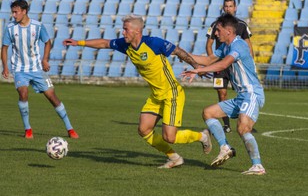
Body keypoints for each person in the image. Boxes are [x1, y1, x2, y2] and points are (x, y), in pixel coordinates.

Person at [63, 14, 212, 169]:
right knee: (144, 130)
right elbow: (104, 43)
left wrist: (196, 66)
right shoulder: (126, 45)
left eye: (126, 29)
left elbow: (178, 51)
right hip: (156, 95)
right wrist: (78, 42)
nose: (123, 33)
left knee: (169, 137)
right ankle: (174, 158)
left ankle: (202, 136)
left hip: (171, 94)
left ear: (136, 31)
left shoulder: (153, 43)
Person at [182, 14, 265, 175]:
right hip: (241, 95)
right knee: (208, 113)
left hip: (252, 93)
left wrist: (198, 70)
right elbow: (209, 59)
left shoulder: (239, 45)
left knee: (243, 128)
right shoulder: (225, 47)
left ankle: (258, 166)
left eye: (218, 30)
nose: (215, 33)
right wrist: (179, 52)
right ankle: (225, 147)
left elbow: (224, 63)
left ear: (228, 30)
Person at [1, 0, 79, 139]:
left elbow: (47, 42)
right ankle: (28, 129)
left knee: (52, 97)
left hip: (37, 68)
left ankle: (70, 128)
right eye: (12, 12)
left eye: (16, 12)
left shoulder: (37, 26)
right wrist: (5, 66)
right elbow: (4, 48)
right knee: (23, 93)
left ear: (24, 11)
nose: (13, 15)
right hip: (20, 69)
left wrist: (44, 59)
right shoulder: (10, 28)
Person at [206, 0, 253, 133]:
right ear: (223, 8)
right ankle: (226, 125)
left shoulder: (242, 25)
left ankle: (246, 122)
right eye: (226, 6)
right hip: (221, 65)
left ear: (235, 7)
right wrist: (212, 60)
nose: (228, 9)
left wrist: (250, 64)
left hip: (237, 65)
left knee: (244, 93)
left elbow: (249, 46)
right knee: (222, 93)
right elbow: (209, 44)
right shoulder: (216, 25)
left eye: (230, 6)